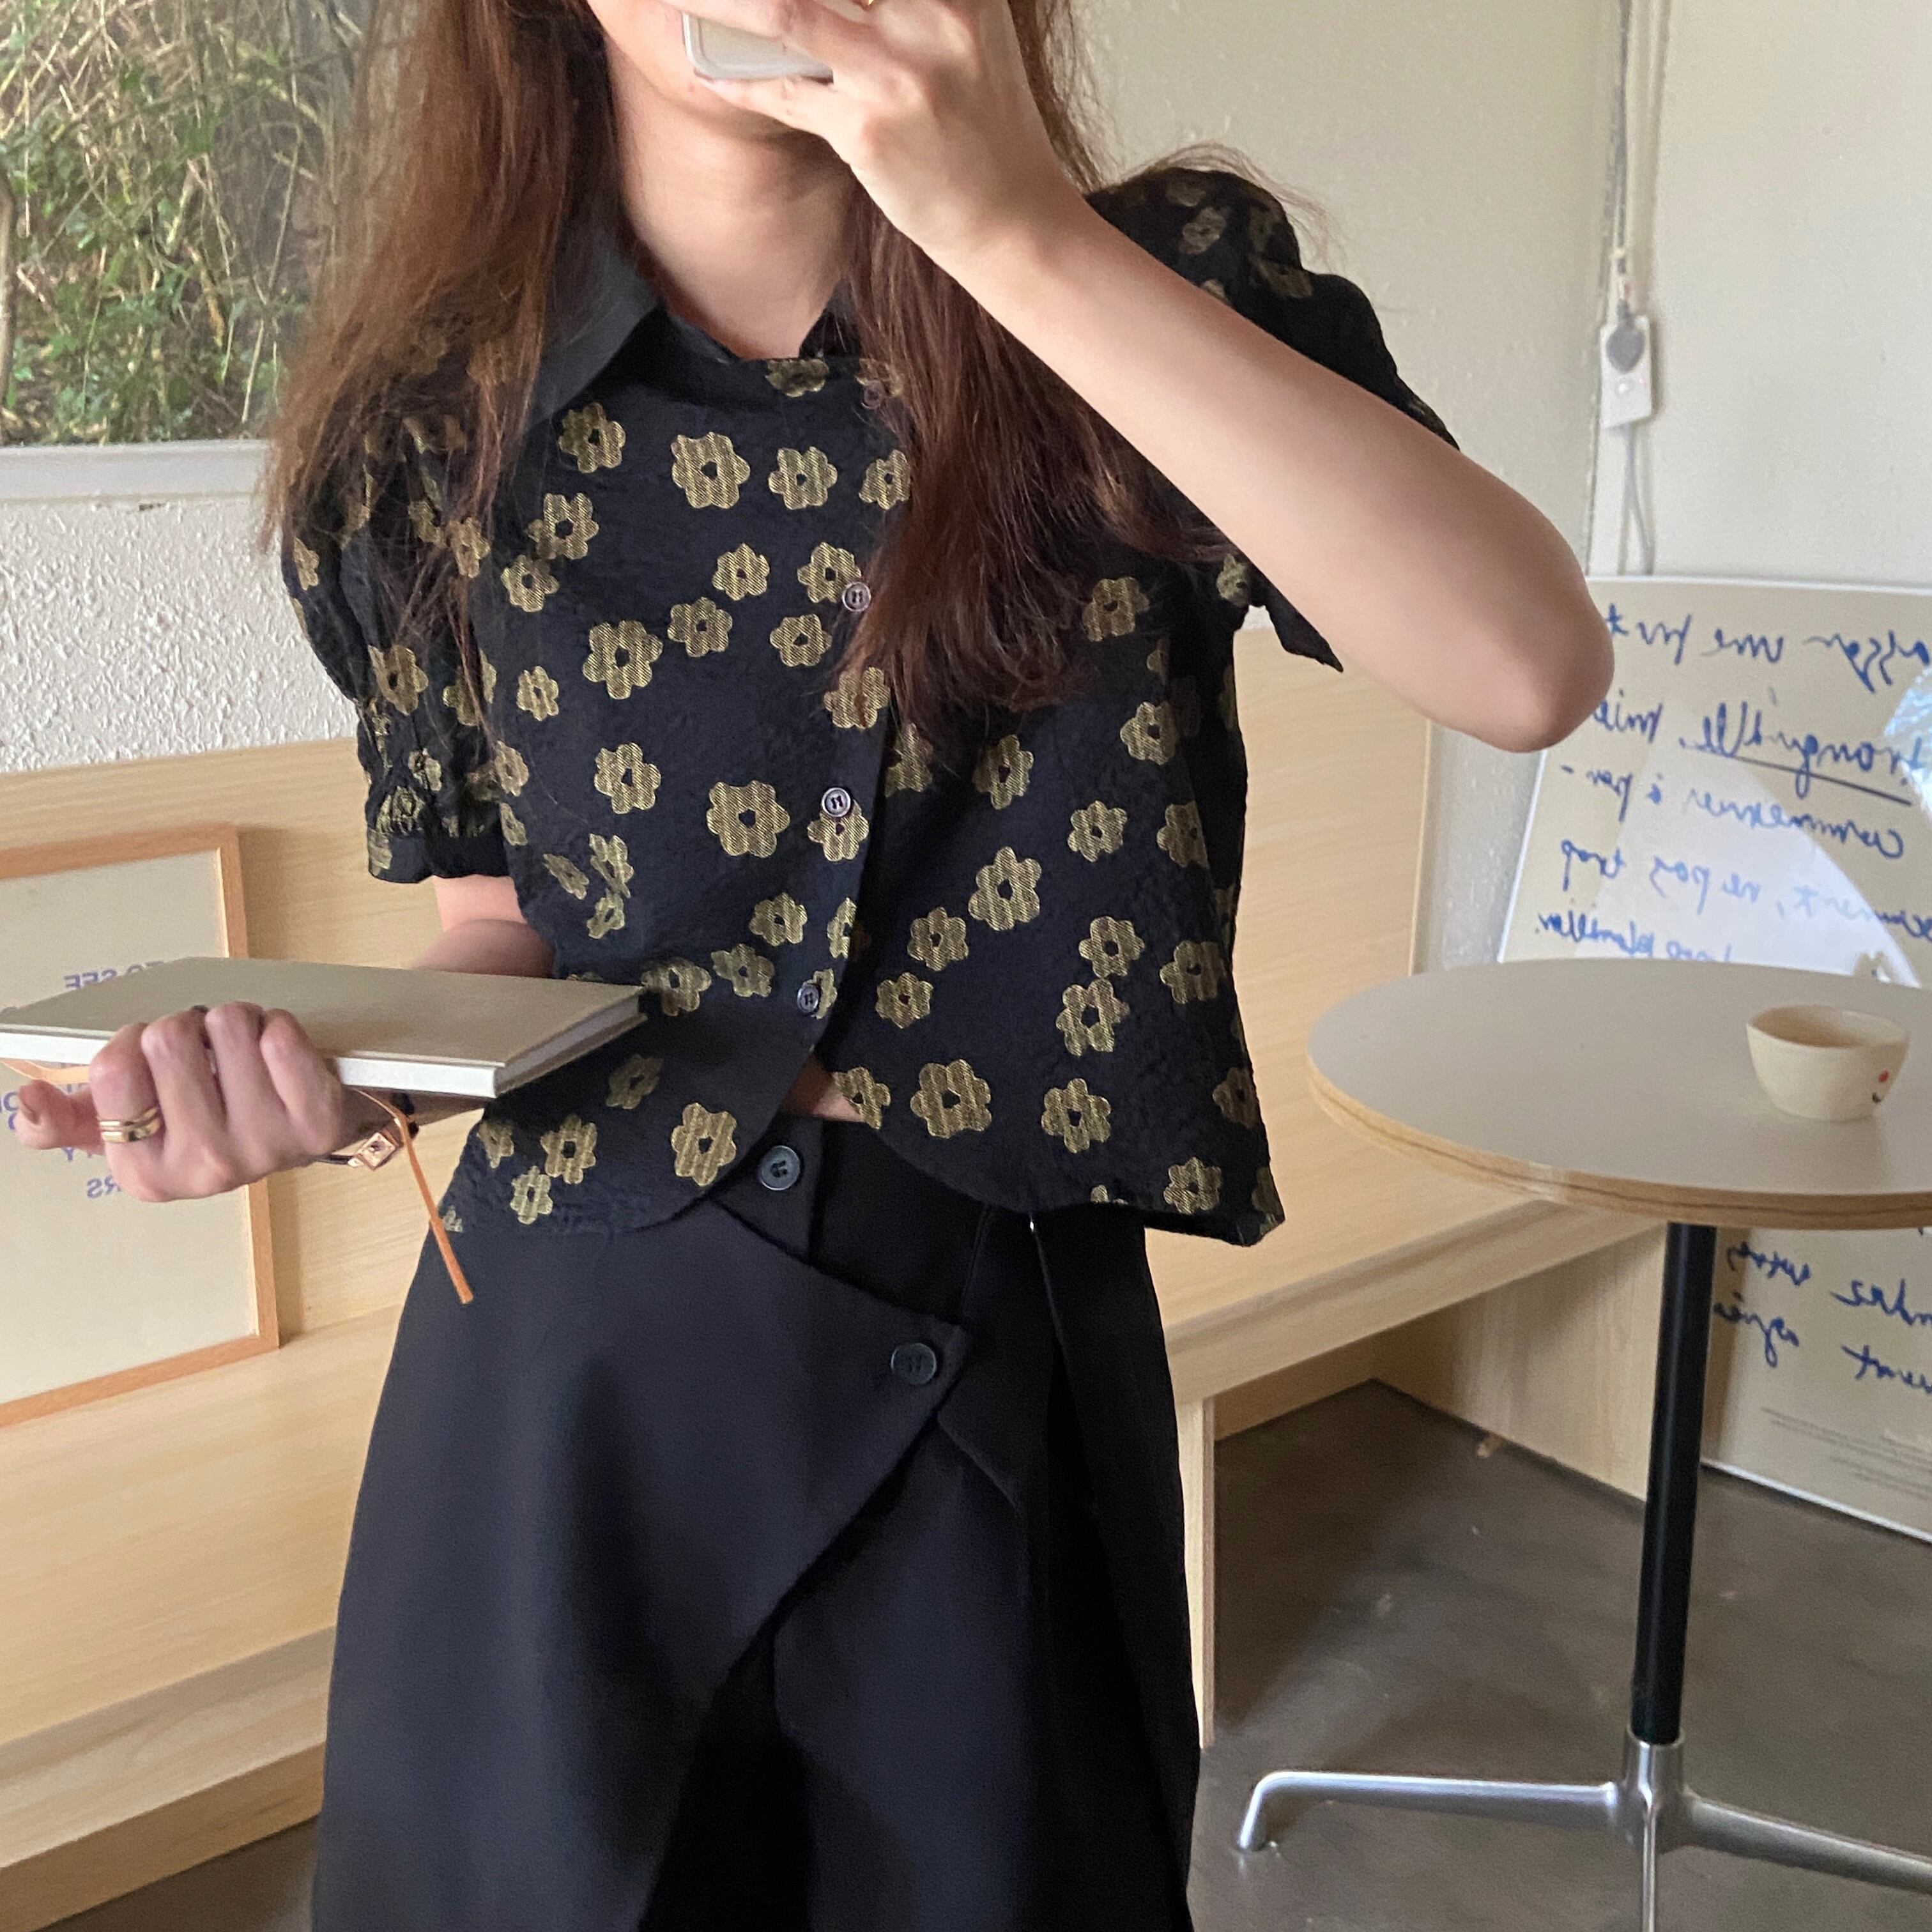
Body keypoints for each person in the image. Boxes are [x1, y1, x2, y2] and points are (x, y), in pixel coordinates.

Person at [13, 0, 1613, 1924]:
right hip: (567, 1375)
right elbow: (503, 921)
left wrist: (1008, 227)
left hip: (998, 1349)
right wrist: (343, 1077)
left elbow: (1525, 665)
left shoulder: (1155, 282)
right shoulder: (433, 423)